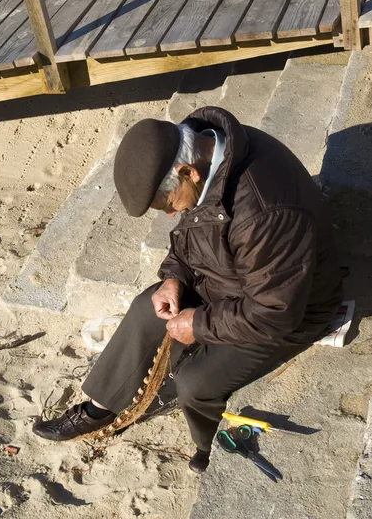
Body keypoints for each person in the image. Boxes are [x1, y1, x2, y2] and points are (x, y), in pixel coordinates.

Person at [33, 106, 342, 473]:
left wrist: (197, 325)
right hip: (233, 279)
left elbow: (275, 311)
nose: (169, 215)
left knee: (195, 383)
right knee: (145, 307)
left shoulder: (264, 212)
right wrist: (172, 277)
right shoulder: (210, 155)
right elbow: (191, 234)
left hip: (290, 308)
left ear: (186, 171)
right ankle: (100, 409)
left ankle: (203, 444)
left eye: (168, 204)